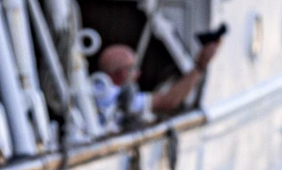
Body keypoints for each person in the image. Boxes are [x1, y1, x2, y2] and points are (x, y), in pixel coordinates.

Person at [91, 37, 220, 125]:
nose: (139, 73)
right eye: (134, 68)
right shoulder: (113, 95)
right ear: (121, 73)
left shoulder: (95, 89)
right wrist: (201, 65)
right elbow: (169, 101)